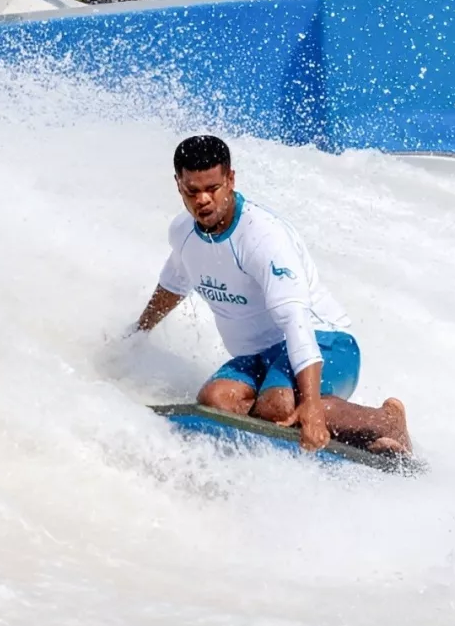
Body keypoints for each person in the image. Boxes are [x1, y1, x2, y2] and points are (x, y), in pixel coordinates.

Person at [133, 135, 411, 455]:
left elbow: (296, 323)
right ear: (178, 185)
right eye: (192, 191)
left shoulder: (263, 237)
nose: (203, 200)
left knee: (277, 405)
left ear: (231, 179)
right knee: (216, 400)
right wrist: (136, 334)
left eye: (213, 188)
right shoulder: (183, 232)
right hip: (261, 357)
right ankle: (338, 430)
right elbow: (173, 284)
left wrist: (311, 404)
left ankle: (385, 422)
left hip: (325, 341)